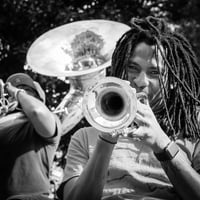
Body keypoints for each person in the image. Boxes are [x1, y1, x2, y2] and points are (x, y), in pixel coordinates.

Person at [57, 16, 200, 200]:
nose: (140, 81)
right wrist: (106, 139)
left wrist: (162, 143)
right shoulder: (84, 137)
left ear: (171, 80)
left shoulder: (195, 126)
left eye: (154, 73)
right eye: (133, 68)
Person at [0, 73, 62, 200]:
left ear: (38, 98)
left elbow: (37, 111)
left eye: (27, 90)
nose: (13, 95)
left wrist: (17, 92)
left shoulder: (48, 119)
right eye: (9, 95)